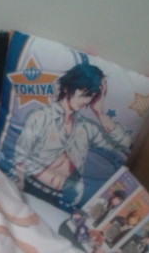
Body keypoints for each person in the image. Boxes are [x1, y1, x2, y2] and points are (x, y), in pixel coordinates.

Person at [13, 63, 131, 210]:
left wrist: (100, 112)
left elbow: (125, 145)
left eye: (91, 96)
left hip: (62, 197)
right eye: (84, 93)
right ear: (67, 88)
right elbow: (21, 154)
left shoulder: (87, 128)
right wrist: (19, 184)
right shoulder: (41, 116)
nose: (86, 100)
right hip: (29, 186)